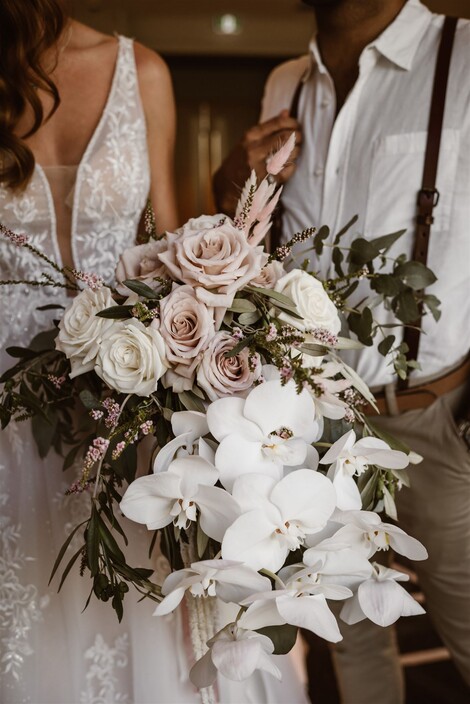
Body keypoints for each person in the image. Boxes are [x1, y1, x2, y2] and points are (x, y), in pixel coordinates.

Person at [0, 3, 309, 702]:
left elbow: (168, 256)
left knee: (143, 587)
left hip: (131, 382)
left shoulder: (141, 71)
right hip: (8, 402)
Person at [213, 1, 470, 703]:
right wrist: (234, 185)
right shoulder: (285, 84)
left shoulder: (466, 60)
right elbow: (255, 248)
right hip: (307, 424)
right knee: (348, 649)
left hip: (433, 421)